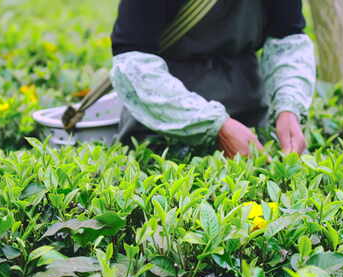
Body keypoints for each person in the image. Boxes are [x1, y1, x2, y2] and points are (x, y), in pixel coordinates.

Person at [110, 0, 316, 158]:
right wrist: (216, 126)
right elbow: (133, 60)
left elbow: (287, 39)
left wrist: (288, 110)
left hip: (248, 112)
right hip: (162, 128)